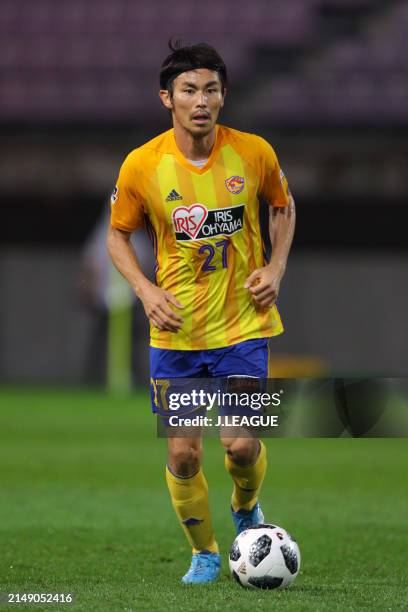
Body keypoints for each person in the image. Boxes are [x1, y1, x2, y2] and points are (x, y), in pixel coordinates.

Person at [107, 40, 295, 584]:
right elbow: (118, 235)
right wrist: (145, 289)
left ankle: (246, 508)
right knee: (185, 457)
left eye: (211, 89)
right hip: (176, 337)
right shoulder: (143, 164)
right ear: (167, 97)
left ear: (224, 94)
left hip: (244, 328)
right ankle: (206, 552)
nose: (201, 100)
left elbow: (284, 205)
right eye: (189, 90)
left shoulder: (253, 152)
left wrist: (276, 268)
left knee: (239, 445)